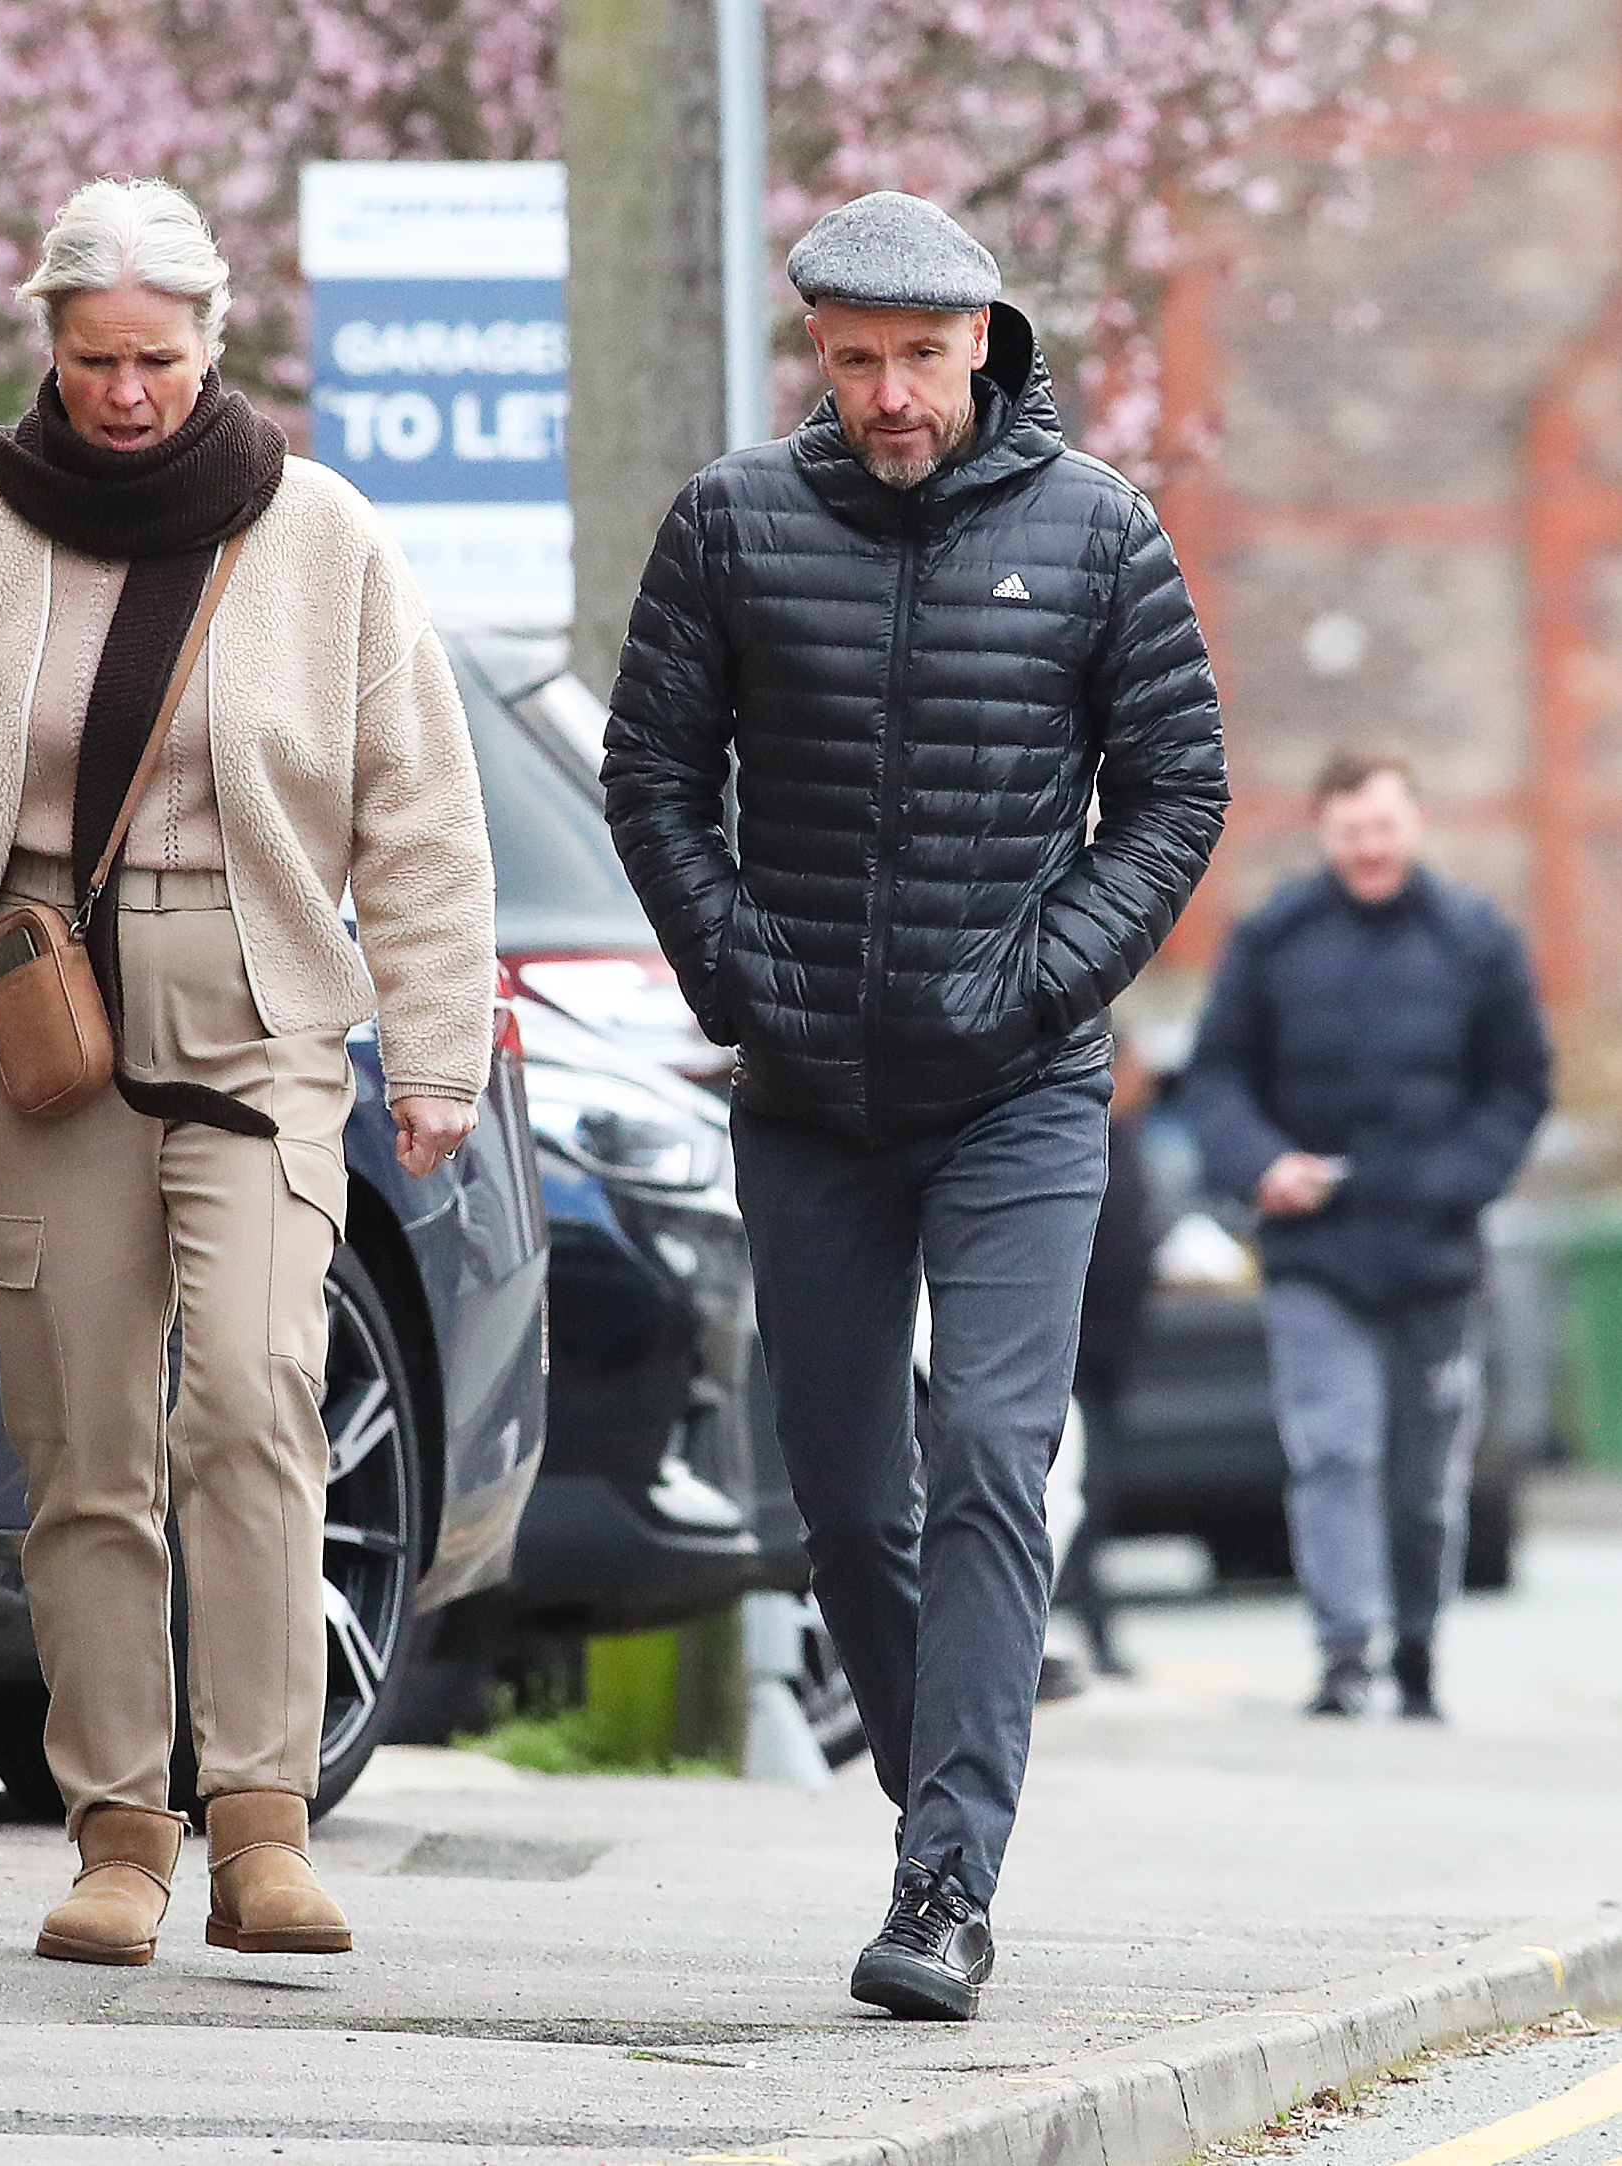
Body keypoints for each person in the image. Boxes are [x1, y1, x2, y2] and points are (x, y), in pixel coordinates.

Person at [0, 177, 495, 1966]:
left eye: (157, 358)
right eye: (94, 359)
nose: (126, 392)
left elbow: (418, 805)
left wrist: (439, 1044)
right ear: (48, 347)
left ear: (214, 343)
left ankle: (263, 1820)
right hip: (45, 1010)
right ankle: (116, 1830)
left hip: (255, 997)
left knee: (250, 1392)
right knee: (84, 1435)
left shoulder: (319, 536)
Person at [603, 191, 1227, 2020]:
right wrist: (737, 975)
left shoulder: (1098, 528)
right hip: (805, 1091)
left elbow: (1175, 793)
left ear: (984, 341)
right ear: (821, 351)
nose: (889, 395)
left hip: (1018, 1093)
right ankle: (931, 1784)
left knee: (988, 1458)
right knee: (845, 1499)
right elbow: (652, 773)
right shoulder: (731, 523)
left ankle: (947, 1874)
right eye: (856, 359)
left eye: (920, 360)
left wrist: (1037, 981)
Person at [1184, 748, 1548, 1722]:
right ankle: (1345, 1652)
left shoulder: (1476, 940)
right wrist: (1261, 1164)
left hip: (1434, 1253)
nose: (1370, 848)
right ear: (1324, 833)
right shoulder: (1273, 940)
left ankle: (1418, 1644)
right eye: (1351, 833)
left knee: (1425, 1479)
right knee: (1332, 1450)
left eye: (1384, 829)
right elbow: (1216, 1081)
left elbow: (1519, 1088)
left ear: (1414, 825)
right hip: (1315, 1251)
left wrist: (1453, 1183)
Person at [1055, 1039, 1163, 1679]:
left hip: (1102, 1359)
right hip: (1081, 1357)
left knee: (1089, 1497)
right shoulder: (1096, 1142)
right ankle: (1090, 1628)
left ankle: (1093, 1626)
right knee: (1079, 1496)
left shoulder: (1122, 1142)